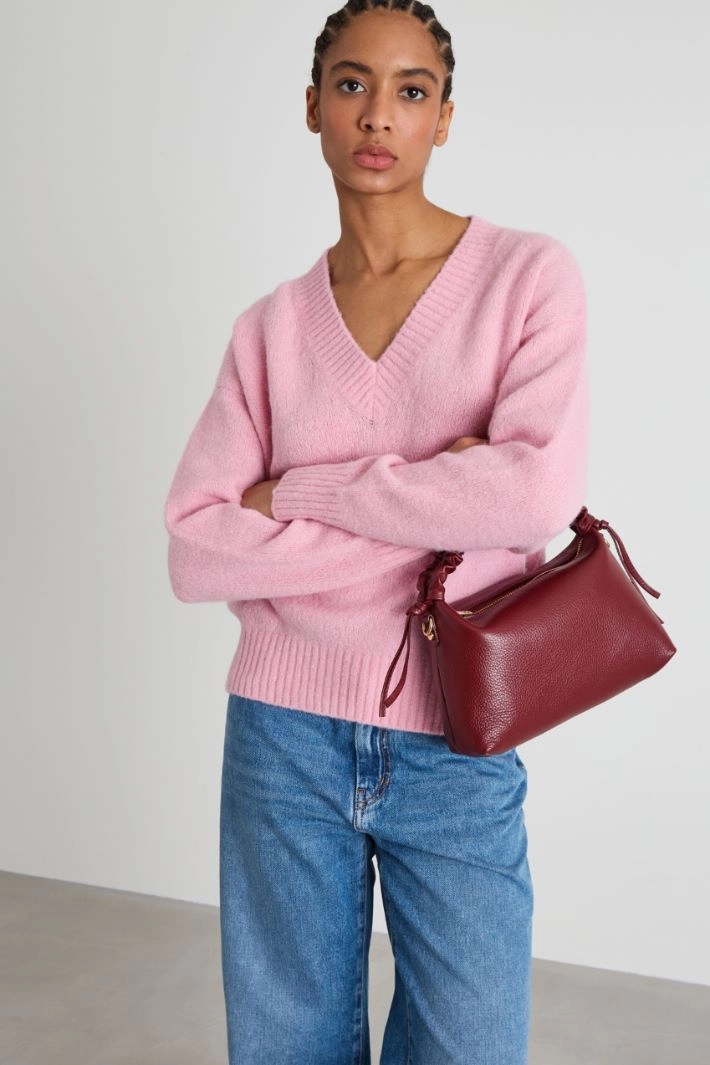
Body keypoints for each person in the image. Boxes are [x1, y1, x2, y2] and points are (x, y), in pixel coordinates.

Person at [163, 2, 589, 1062]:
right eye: (352, 83)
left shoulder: (525, 278)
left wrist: (299, 492)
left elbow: (529, 497)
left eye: (411, 90)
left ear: (444, 117)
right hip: (280, 735)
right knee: (285, 1045)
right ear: (312, 106)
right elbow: (196, 546)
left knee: (471, 1045)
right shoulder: (269, 330)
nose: (378, 114)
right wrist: (441, 496)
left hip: (457, 733)